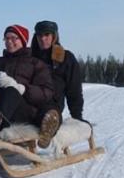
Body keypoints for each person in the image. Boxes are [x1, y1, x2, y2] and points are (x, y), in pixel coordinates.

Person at [30, 19, 85, 148]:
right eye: (40, 35)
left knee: (49, 113)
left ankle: (49, 127)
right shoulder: (30, 57)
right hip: (30, 102)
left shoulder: (65, 58)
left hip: (52, 105)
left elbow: (74, 90)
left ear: (54, 36)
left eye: (47, 35)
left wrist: (77, 117)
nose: (43, 39)